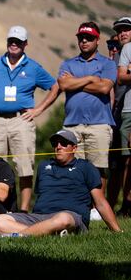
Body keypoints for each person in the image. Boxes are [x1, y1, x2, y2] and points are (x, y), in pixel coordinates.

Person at [0, 26, 59, 212]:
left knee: (25, 167)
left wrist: (38, 110)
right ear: (7, 42)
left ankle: (23, 211)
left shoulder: (33, 67)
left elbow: (55, 87)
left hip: (22, 121)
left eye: (18, 42)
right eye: (11, 40)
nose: (14, 44)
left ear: (25, 44)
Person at [0, 130, 121, 236]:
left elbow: (100, 202)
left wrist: (117, 231)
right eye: (55, 143)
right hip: (39, 217)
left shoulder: (86, 167)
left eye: (63, 143)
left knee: (63, 219)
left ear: (74, 148)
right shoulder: (43, 166)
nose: (58, 147)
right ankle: (43, 233)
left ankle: (19, 235)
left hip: (71, 217)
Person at [58, 22, 116, 201]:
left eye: (89, 38)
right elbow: (63, 84)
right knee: (73, 168)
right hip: (72, 124)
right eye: (81, 38)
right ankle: (78, 205)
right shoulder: (68, 63)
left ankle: (97, 208)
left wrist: (75, 82)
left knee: (98, 169)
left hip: (99, 124)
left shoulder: (108, 64)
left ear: (97, 40)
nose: (84, 41)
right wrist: (91, 79)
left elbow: (105, 88)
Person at [111, 17, 131, 214]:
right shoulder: (121, 53)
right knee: (122, 162)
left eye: (127, 29)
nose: (123, 33)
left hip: (126, 112)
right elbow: (120, 78)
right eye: (120, 30)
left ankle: (127, 203)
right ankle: (122, 204)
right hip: (121, 113)